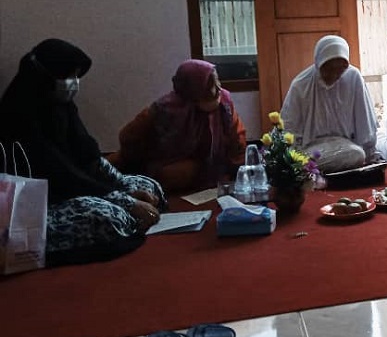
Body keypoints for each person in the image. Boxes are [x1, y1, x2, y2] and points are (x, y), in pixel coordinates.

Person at [0, 39, 165, 265]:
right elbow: (62, 175)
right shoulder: (19, 115)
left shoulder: (63, 108)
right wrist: (124, 201)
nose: (74, 83)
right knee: (105, 216)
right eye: (68, 75)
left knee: (146, 185)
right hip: (45, 203)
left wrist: (124, 188)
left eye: (77, 75)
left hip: (82, 187)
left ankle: (132, 218)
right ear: (45, 76)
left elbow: (90, 158)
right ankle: (129, 219)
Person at [114, 60, 247, 193]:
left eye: (218, 81)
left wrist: (240, 170)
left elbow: (237, 141)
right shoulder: (165, 110)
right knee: (182, 171)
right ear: (194, 89)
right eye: (211, 84)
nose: (218, 88)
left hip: (213, 169)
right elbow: (128, 138)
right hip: (165, 169)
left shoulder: (224, 105)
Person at [280, 35, 379, 173]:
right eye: (329, 69)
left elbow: (364, 120)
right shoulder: (300, 85)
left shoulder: (353, 77)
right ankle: (309, 169)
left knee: (357, 154)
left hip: (345, 146)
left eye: (340, 70)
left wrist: (369, 152)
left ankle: (310, 171)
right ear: (319, 63)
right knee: (292, 161)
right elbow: (288, 128)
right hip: (311, 148)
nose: (334, 75)